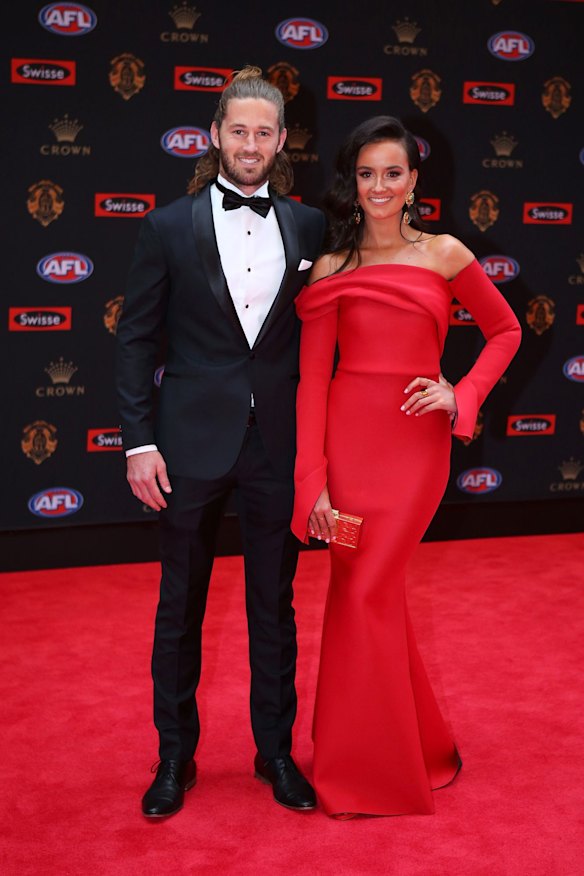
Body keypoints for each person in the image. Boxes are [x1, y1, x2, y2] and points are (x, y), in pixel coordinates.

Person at [290, 116, 521, 818]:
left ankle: (370, 768)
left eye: (393, 173)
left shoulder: (446, 253)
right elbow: (310, 382)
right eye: (367, 174)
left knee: (369, 594)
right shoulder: (333, 267)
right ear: (352, 184)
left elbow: (507, 330)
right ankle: (412, 749)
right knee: (364, 595)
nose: (380, 186)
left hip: (415, 451)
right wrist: (313, 481)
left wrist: (463, 393)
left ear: (414, 181)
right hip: (350, 450)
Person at [116, 66, 325, 818]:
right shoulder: (167, 226)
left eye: (264, 132)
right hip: (186, 444)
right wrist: (139, 441)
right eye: (237, 129)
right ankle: (174, 757)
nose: (250, 143)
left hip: (275, 442)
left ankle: (275, 754)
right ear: (215, 136)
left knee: (274, 605)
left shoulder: (306, 226)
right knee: (180, 607)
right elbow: (136, 338)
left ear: (280, 141)